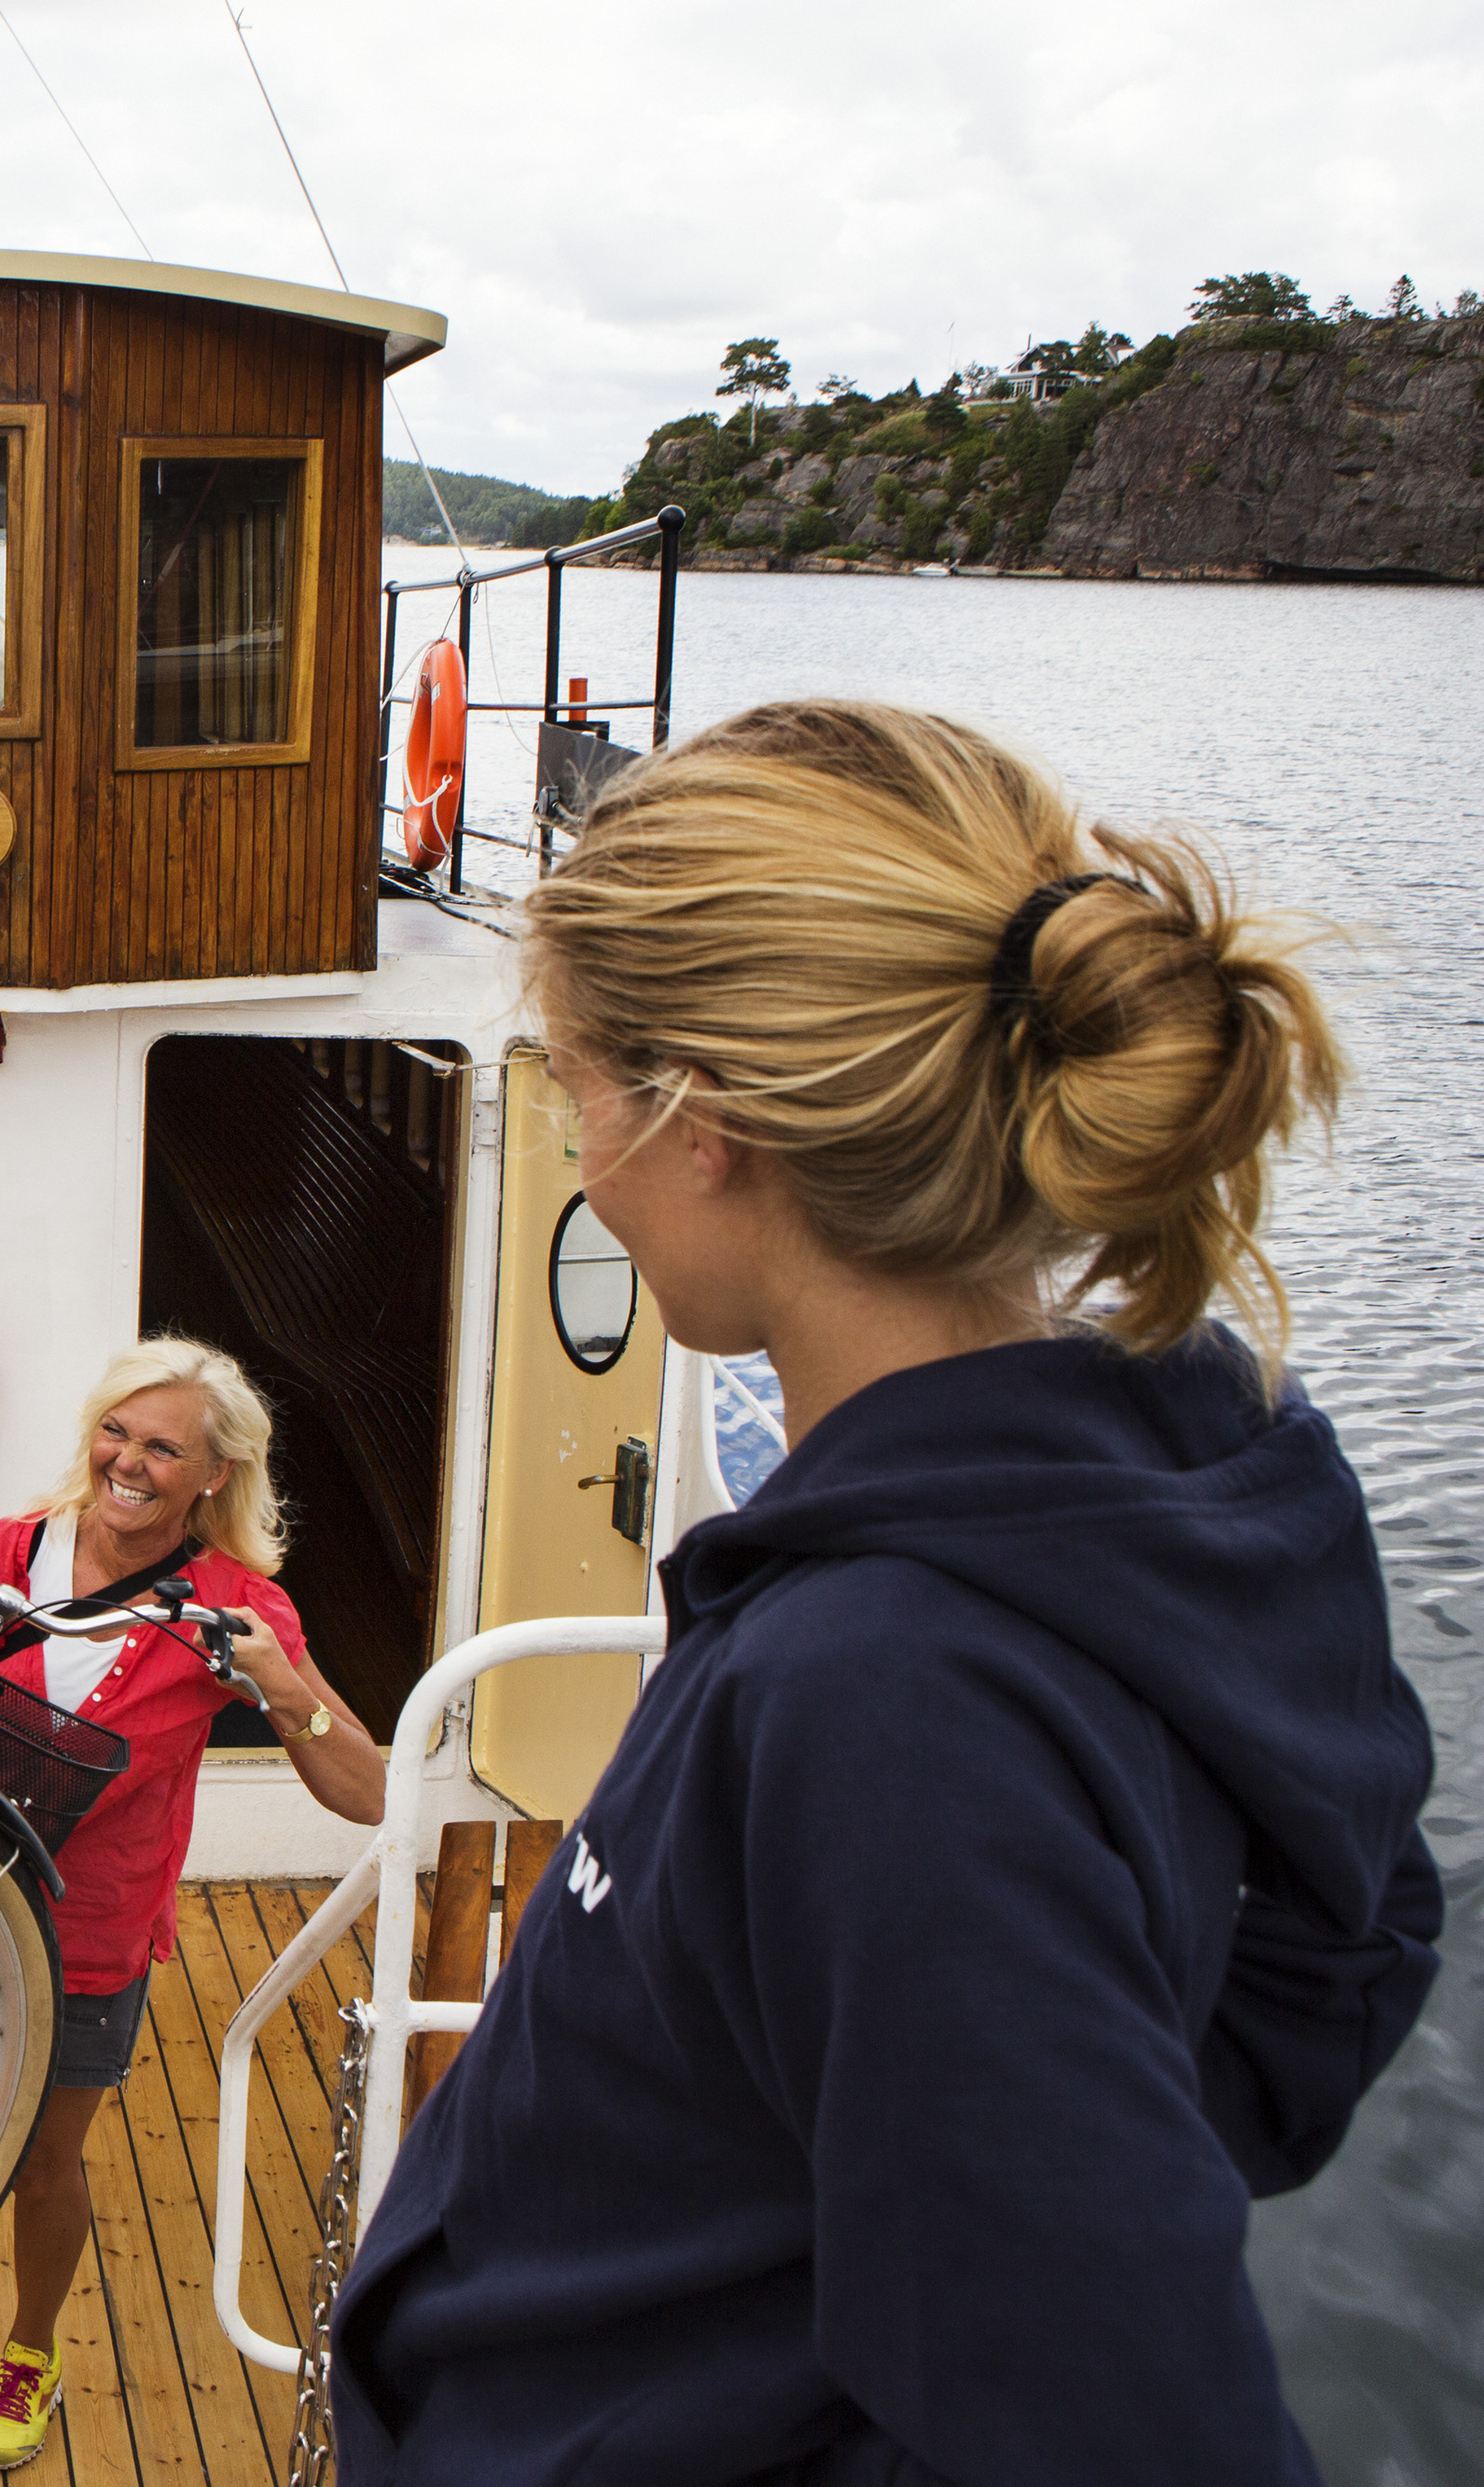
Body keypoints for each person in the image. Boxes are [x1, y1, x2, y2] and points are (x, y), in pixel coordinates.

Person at [331, 702, 1440, 2483]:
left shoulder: (890, 1705)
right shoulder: (1188, 1472)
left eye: (579, 1083)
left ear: (709, 1127)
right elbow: (1334, 1961)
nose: (585, 1162)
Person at [0, 1338, 381, 2470]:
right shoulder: (5, 1550)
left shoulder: (236, 1609)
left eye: (164, 1446)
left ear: (214, 1474)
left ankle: (29, 2354)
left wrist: (282, 1683)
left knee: (43, 2160)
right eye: (117, 1430)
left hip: (84, 1931)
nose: (129, 1459)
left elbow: (364, 1792)